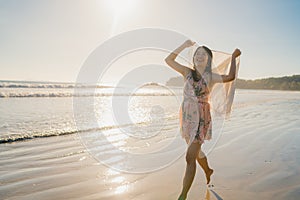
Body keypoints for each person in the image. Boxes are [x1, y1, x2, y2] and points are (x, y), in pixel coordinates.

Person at [164, 40, 241, 200]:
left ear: (208, 60)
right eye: (197, 54)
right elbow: (168, 60)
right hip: (186, 116)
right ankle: (208, 170)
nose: (199, 56)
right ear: (193, 58)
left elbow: (230, 76)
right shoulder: (186, 72)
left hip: (201, 118)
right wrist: (184, 46)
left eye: (203, 55)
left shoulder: (211, 77)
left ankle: (183, 195)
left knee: (189, 157)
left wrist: (233, 57)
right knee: (196, 151)